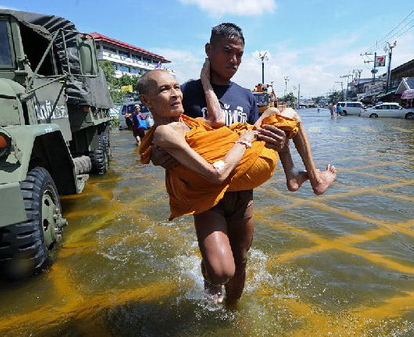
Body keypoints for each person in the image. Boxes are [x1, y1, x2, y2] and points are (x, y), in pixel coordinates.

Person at [138, 68, 337, 304]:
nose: (175, 94)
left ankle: (232, 308)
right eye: (164, 89)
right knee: (220, 271)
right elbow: (216, 173)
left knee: (240, 259)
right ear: (146, 101)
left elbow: (218, 120)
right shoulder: (166, 131)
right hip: (209, 197)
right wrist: (245, 140)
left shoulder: (195, 120)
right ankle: (210, 278)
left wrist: (205, 79)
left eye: (176, 87)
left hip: (242, 193)